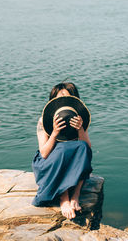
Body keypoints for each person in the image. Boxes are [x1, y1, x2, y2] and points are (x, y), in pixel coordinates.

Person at [31, 82, 93, 220]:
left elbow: (87, 148)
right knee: (62, 149)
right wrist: (54, 132)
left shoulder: (79, 117)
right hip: (49, 162)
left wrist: (80, 129)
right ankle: (64, 198)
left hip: (71, 161)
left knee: (83, 147)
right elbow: (44, 153)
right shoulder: (44, 121)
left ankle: (75, 195)